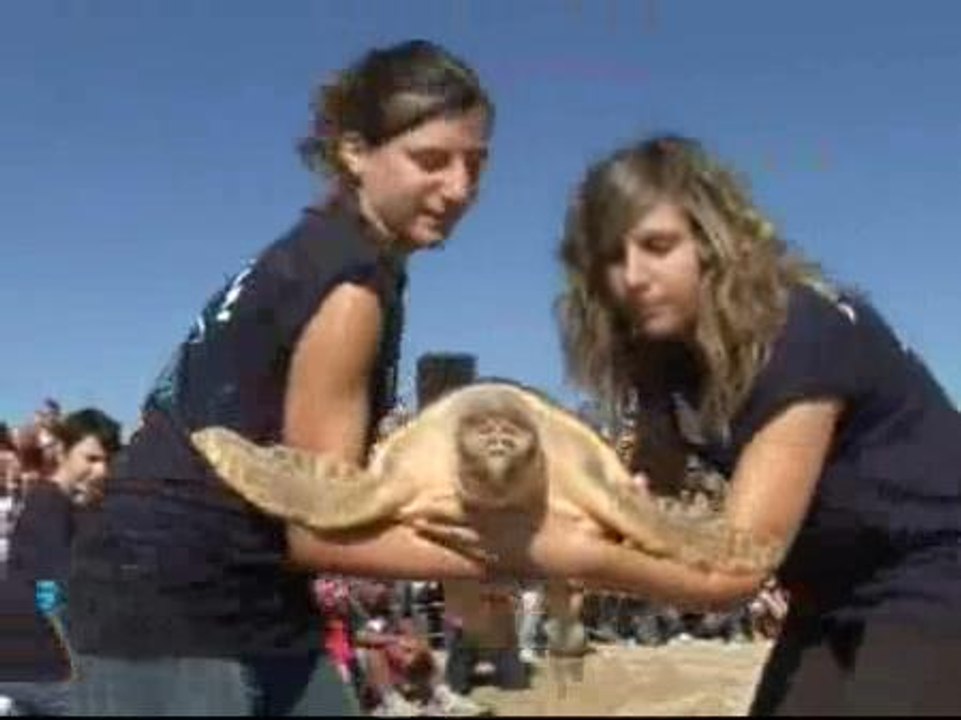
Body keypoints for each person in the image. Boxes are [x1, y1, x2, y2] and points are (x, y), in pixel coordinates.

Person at [67, 39, 497, 716]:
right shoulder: (348, 282)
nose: (460, 188)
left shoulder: (322, 251)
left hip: (257, 604)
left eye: (476, 163)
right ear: (356, 152)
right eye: (431, 160)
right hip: (173, 611)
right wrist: (507, 553)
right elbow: (321, 527)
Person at [549, 133, 961, 714]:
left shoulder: (796, 332)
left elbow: (736, 569)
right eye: (613, 258)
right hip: (826, 588)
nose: (634, 277)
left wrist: (575, 557)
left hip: (935, 565)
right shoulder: (663, 360)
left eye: (657, 245)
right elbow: (647, 495)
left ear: (712, 242)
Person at [0, 408, 121, 715]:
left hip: (34, 664)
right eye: (91, 459)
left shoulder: (69, 506)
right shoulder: (47, 505)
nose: (101, 470)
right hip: (43, 668)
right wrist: (73, 652)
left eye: (107, 460)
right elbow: (50, 588)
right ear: (64, 452)